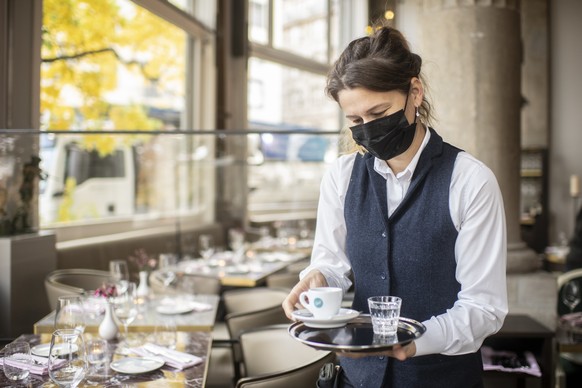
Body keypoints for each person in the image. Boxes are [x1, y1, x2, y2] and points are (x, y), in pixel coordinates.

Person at [282, 25, 508, 388]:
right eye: (356, 121)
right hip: (357, 379)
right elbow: (332, 264)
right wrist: (317, 278)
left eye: (378, 112)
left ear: (414, 93)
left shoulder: (470, 181)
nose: (368, 129)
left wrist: (414, 341)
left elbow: (484, 308)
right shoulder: (341, 177)